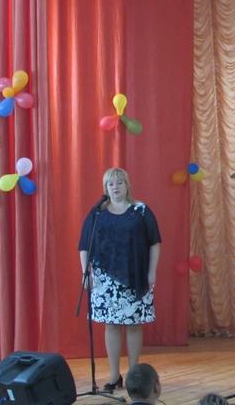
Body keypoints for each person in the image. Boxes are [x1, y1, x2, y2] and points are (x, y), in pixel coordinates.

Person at [78, 168, 161, 392]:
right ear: (105, 188)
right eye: (111, 184)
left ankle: (134, 376)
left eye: (119, 182)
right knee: (111, 325)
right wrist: (85, 273)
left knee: (134, 325)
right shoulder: (97, 213)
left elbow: (154, 242)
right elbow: (84, 245)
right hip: (105, 279)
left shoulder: (141, 211)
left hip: (135, 275)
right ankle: (114, 376)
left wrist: (152, 272)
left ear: (127, 186)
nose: (115, 187)